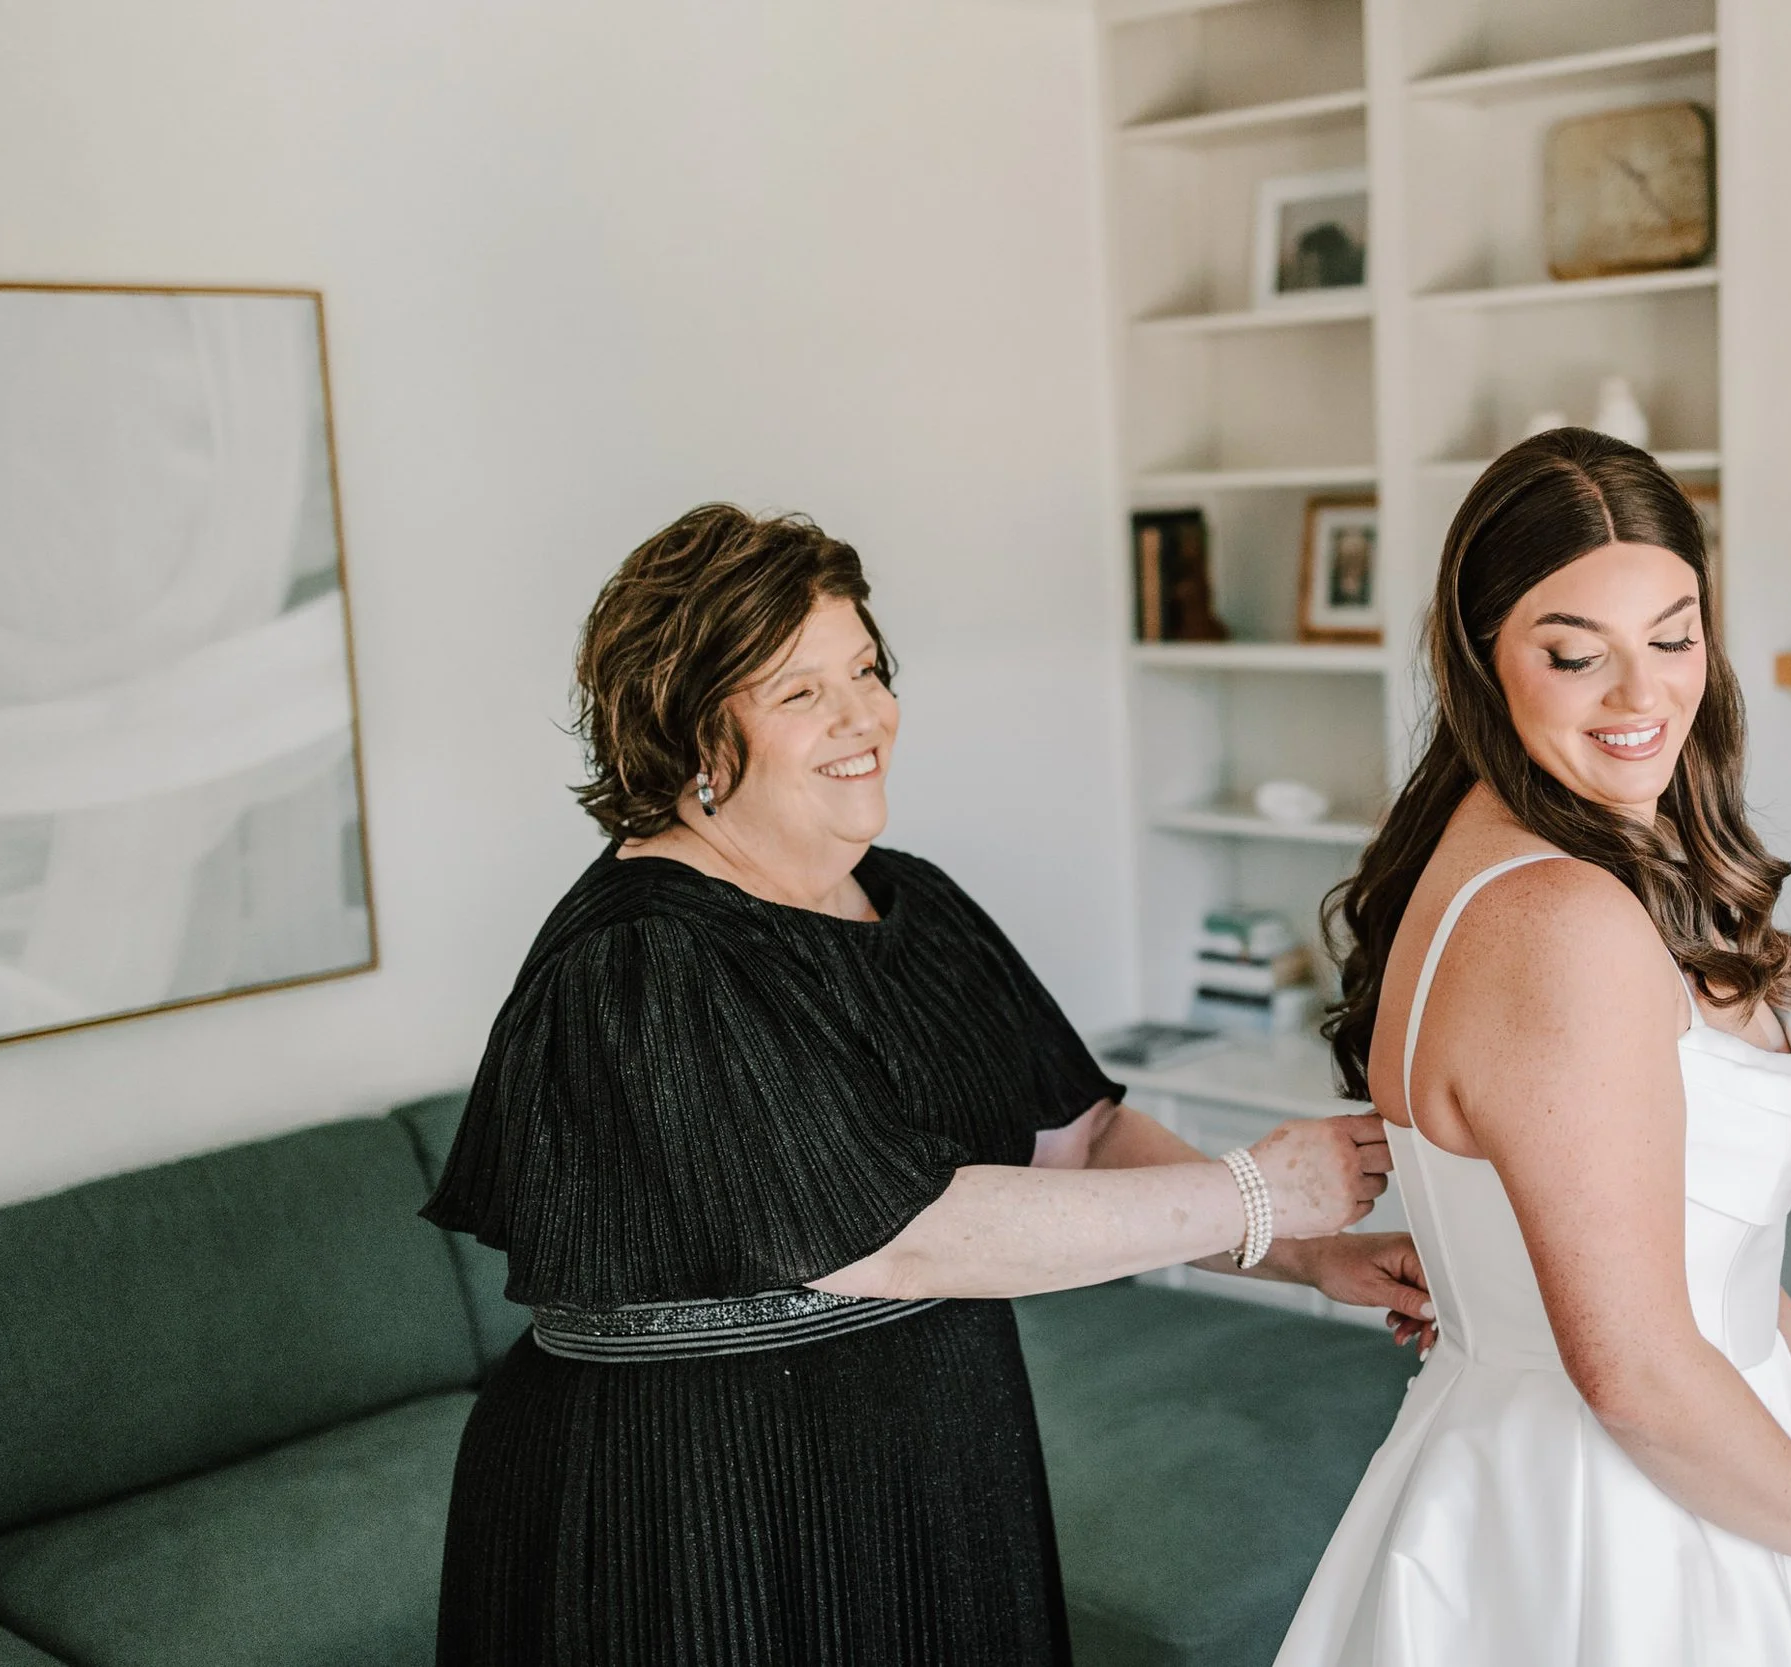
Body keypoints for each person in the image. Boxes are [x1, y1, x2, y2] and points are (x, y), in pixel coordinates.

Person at [421, 504, 1434, 1667]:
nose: (865, 716)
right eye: (799, 692)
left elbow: (1083, 1139)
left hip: (924, 1477)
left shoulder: (915, 900)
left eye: (865, 669)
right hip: (697, 1512)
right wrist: (1264, 1188)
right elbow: (896, 1233)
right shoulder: (647, 961)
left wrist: (1307, 1252)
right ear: (691, 729)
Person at [1275, 430, 1791, 1664]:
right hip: (1617, 1521)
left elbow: (1668, 1228)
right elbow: (1632, 1369)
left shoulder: (1551, 855)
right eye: (1577, 654)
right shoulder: (1558, 918)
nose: (1643, 698)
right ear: (1480, 657)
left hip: (1688, 1462)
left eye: (1674, 637)